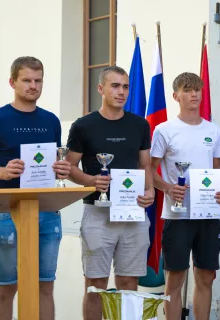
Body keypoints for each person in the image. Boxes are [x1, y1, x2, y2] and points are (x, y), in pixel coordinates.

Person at [0, 56, 71, 320]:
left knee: (46, 287)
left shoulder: (51, 121)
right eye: (27, 80)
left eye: (38, 80)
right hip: (5, 212)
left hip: (46, 212)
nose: (33, 86)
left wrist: (61, 169)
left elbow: (51, 161)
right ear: (12, 82)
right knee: (5, 289)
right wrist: (2, 171)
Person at [65, 66, 155, 320]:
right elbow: (69, 167)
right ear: (101, 89)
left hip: (132, 212)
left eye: (126, 86)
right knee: (95, 286)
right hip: (98, 212)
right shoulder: (83, 126)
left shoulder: (140, 125)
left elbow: (144, 165)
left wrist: (149, 191)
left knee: (128, 282)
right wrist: (91, 180)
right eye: (115, 86)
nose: (122, 91)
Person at [150, 72, 220, 320]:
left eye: (197, 89)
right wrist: (166, 187)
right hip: (178, 212)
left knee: (205, 276)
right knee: (175, 277)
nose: (194, 94)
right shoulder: (164, 130)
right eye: (187, 89)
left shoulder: (213, 130)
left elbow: (217, 170)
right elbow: (149, 171)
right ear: (176, 96)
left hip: (207, 213)